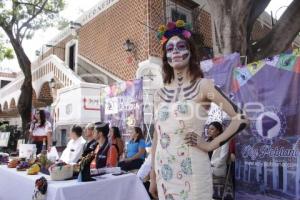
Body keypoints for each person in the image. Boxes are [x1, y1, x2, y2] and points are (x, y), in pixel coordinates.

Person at [149, 20, 248, 200]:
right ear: (165, 57)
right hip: (164, 171)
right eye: (170, 49)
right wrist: (153, 176)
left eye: (181, 46)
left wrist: (209, 145)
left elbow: (240, 119)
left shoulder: (203, 86)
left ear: (191, 53)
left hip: (193, 170)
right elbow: (157, 135)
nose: (176, 52)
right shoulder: (159, 94)